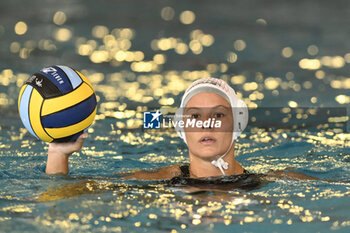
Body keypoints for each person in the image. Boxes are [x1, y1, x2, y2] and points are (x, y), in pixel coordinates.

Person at [46, 77, 317, 181]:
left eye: (218, 115)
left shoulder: (274, 182)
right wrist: (59, 154)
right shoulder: (161, 180)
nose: (205, 124)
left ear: (238, 124)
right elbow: (64, 197)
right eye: (194, 116)